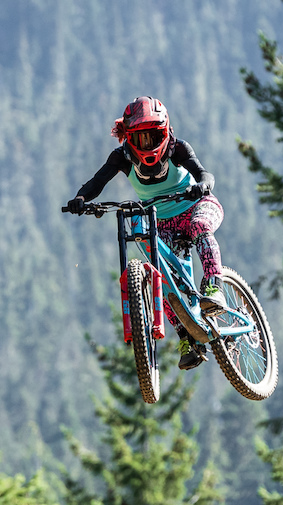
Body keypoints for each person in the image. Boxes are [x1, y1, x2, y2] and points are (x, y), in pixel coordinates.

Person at [66, 96, 227, 371]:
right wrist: (81, 197)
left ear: (165, 133)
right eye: (140, 139)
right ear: (129, 138)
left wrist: (201, 186)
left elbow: (205, 174)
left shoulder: (177, 149)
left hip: (198, 206)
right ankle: (187, 336)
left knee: (200, 228)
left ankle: (214, 287)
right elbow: (97, 182)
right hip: (161, 221)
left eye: (153, 137)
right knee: (160, 278)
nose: (148, 145)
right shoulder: (122, 157)